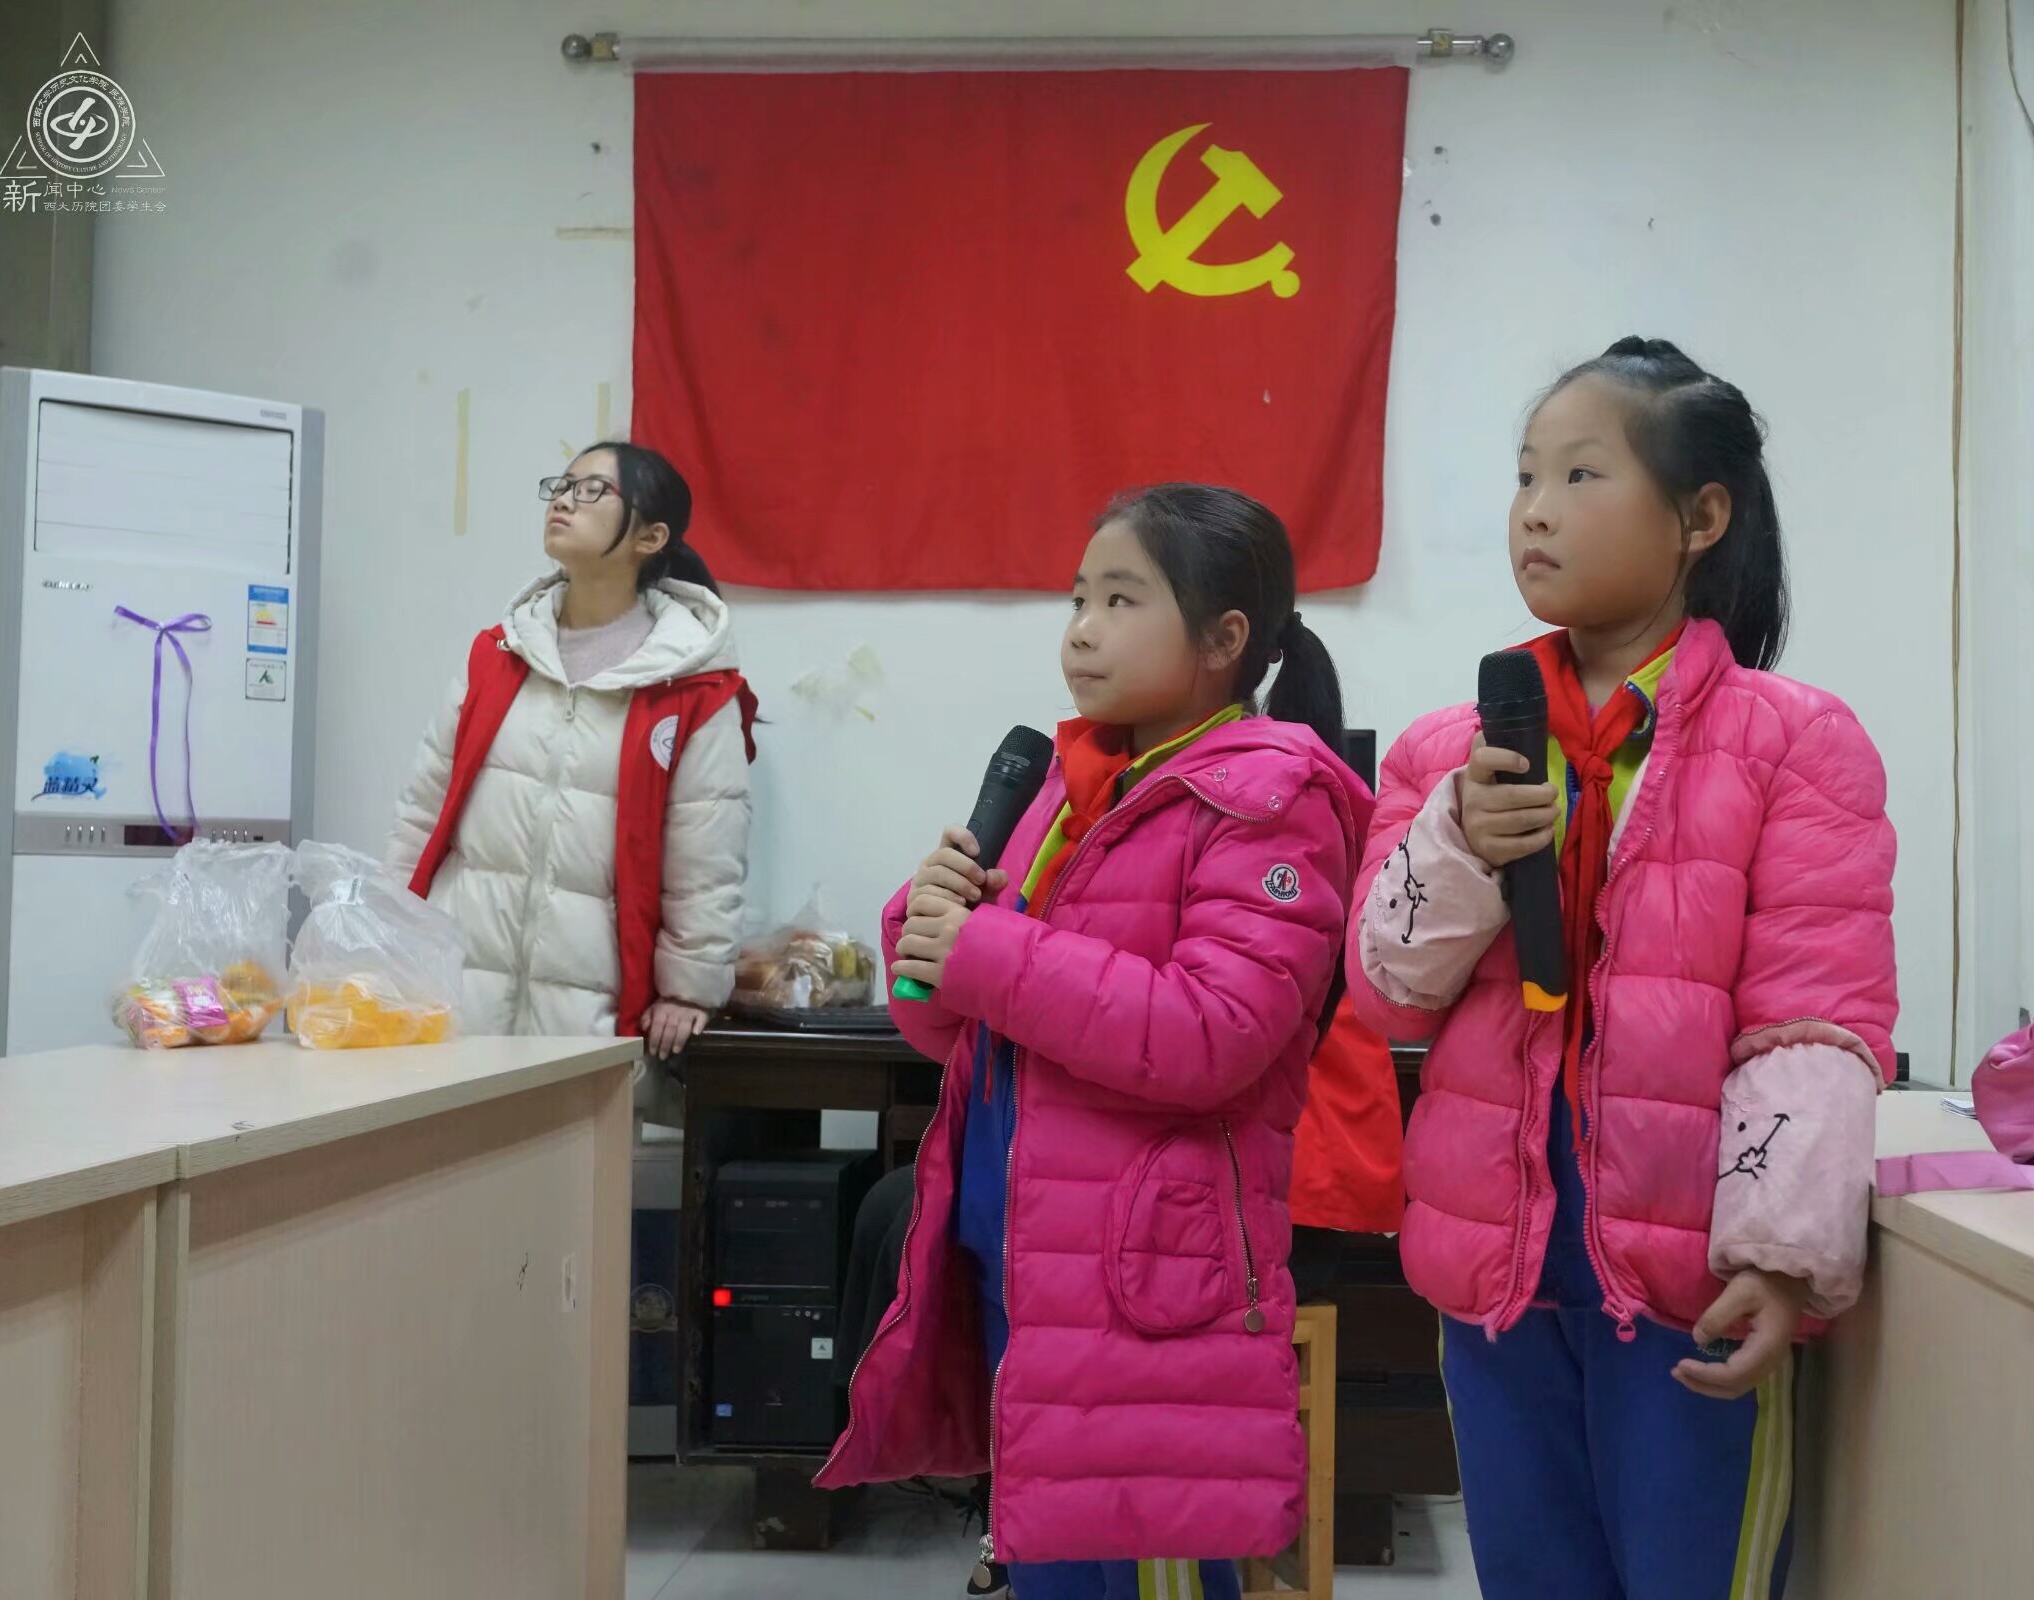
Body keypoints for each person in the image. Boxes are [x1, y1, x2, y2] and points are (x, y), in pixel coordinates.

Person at [1347, 338, 1898, 1600]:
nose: (1535, 510)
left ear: (1700, 518)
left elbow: (1810, 1022)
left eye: (1580, 475)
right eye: (1524, 476)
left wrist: (1779, 1253)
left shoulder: (1795, 743)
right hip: (1499, 1280)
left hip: (1694, 1289)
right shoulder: (1451, 752)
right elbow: (1385, 992)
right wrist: (1459, 840)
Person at [821, 484, 1374, 1600]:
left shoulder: (1272, 799)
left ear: (1223, 640)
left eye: (1122, 600)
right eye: (1079, 598)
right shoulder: (1068, 787)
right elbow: (945, 1028)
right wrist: (927, 926)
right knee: (1056, 1565)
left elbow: (1214, 1032)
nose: (1081, 629)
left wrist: (987, 951)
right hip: (1026, 1253)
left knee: (1147, 1564)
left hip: (1146, 1275)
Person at [389, 442, 756, 1063]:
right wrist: (387, 932)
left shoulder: (694, 685)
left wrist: (689, 988)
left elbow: (706, 852)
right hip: (460, 997)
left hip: (592, 1013)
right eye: (562, 485)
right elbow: (422, 812)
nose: (564, 500)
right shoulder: (497, 655)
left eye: (592, 490)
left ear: (650, 537)